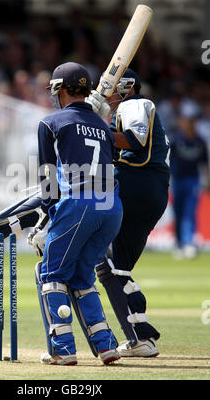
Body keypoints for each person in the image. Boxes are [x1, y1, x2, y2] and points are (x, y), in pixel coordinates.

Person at [0, 62, 123, 366]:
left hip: (79, 203)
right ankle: (105, 345)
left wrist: (46, 222)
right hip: (111, 208)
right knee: (82, 276)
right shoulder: (103, 125)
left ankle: (62, 349)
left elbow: (49, 182)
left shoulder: (51, 123)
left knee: (50, 274)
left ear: (60, 89)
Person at [85, 68, 170, 357]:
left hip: (137, 185)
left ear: (127, 86)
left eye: (108, 88)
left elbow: (134, 141)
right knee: (116, 267)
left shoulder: (136, 104)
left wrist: (97, 126)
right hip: (149, 190)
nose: (104, 94)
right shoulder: (132, 107)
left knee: (105, 261)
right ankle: (141, 337)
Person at [170, 106, 210, 259]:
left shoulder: (200, 141)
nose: (189, 124)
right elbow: (168, 160)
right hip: (177, 181)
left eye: (192, 121)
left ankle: (188, 243)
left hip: (193, 181)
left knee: (189, 212)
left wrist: (207, 181)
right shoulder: (176, 139)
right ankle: (179, 244)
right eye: (187, 120)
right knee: (178, 213)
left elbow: (204, 164)